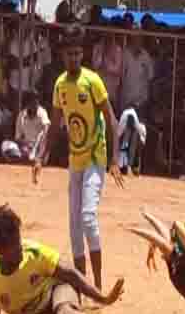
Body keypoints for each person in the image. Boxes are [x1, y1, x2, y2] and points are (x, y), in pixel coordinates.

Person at [33, 23, 125, 299]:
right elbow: (55, 125)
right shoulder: (60, 85)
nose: (72, 58)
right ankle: (83, 289)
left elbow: (110, 118)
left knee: (87, 217)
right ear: (63, 54)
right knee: (74, 224)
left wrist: (114, 159)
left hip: (96, 156)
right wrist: (41, 157)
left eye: (76, 53)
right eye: (68, 54)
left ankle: (97, 282)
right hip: (76, 160)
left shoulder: (92, 81)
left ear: (81, 53)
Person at [0, 204, 125, 314]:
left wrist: (102, 298)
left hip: (58, 292)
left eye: (18, 242)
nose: (19, 250)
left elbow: (71, 274)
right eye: (13, 249)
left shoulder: (35, 253)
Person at [1, 90, 50, 162]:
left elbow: (46, 129)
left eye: (36, 101)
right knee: (5, 144)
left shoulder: (42, 112)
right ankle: (23, 158)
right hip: (26, 147)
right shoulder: (21, 115)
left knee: (42, 137)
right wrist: (26, 145)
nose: (35, 104)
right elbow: (18, 137)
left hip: (40, 147)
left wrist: (36, 146)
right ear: (27, 103)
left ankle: (35, 158)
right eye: (32, 101)